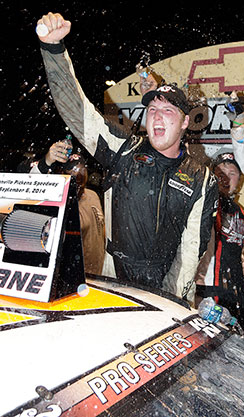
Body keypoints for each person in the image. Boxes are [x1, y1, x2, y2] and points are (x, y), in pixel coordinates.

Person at [34, 12, 218, 304]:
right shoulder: (125, 149)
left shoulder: (202, 177)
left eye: (168, 111)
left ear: (185, 123)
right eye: (152, 110)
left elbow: (191, 248)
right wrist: (54, 50)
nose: (157, 116)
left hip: (163, 286)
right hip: (113, 278)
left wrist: (172, 302)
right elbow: (79, 113)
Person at [18, 143, 105, 276]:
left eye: (80, 176)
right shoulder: (57, 205)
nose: (76, 183)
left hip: (95, 275)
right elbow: (27, 190)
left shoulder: (92, 195)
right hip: (74, 278)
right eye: (71, 178)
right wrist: (46, 163)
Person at [195, 152, 244, 336]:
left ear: (240, 180)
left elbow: (240, 254)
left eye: (232, 172)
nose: (225, 176)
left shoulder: (241, 213)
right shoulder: (202, 202)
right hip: (208, 294)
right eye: (220, 171)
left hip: (237, 296)